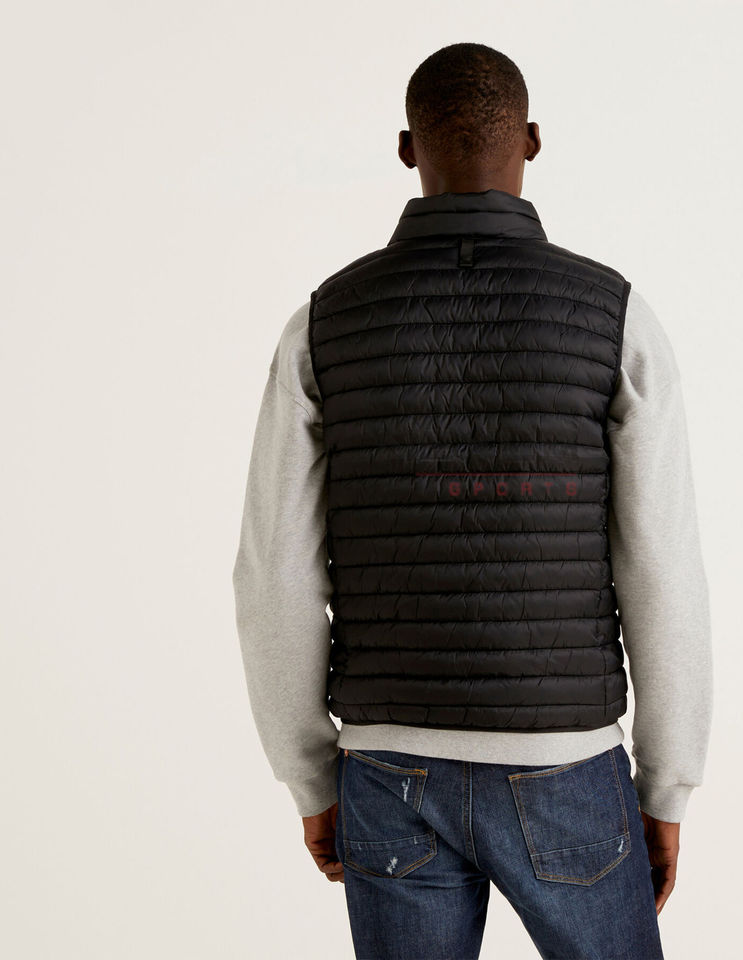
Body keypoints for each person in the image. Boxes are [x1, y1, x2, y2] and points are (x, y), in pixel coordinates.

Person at [232, 41, 712, 960]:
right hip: (566, 767)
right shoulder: (614, 316)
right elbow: (663, 567)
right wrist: (667, 785)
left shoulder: (322, 324)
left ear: (407, 150)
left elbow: (272, 573)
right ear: (531, 141)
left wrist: (310, 776)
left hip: (387, 773)